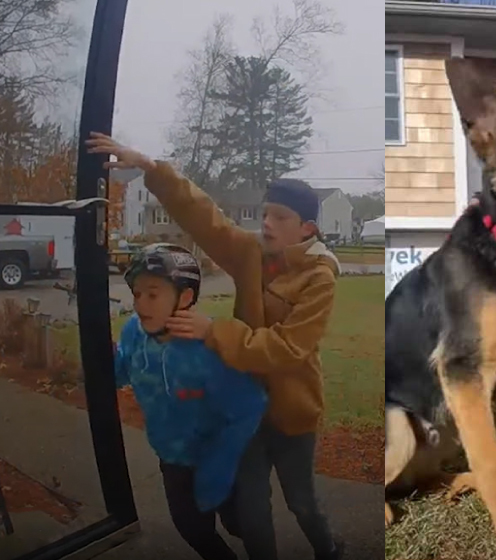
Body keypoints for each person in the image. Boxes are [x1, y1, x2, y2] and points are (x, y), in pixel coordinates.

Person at [89, 132, 344, 560]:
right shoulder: (249, 252)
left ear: (307, 228)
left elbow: (287, 348)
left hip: (292, 412)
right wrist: (151, 169)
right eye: (264, 214)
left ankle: (330, 549)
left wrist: (215, 331)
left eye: (278, 217)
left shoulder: (319, 278)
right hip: (243, 411)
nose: (266, 223)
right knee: (252, 510)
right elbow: (203, 216)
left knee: (301, 503)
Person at [114, 243, 268, 560]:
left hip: (225, 461)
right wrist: (104, 362)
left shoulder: (208, 348)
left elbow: (251, 406)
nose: (141, 304)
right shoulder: (134, 332)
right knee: (193, 530)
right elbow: (120, 374)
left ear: (185, 298)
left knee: (245, 525)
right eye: (137, 293)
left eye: (153, 294)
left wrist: (222, 467)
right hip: (173, 460)